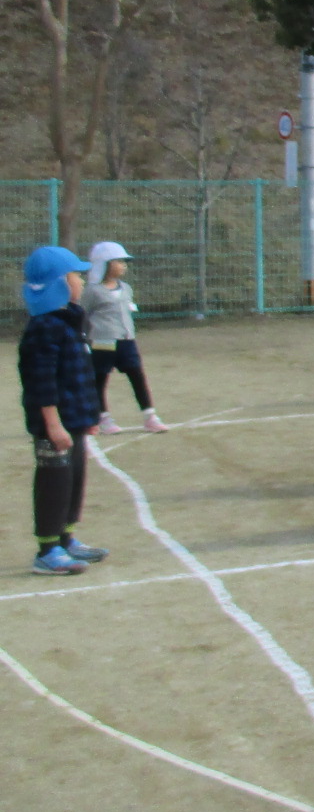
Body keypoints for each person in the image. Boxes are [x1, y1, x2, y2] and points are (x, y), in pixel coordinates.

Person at [19, 246, 104, 575]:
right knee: (55, 481)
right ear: (57, 283)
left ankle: (67, 538)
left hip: (76, 419)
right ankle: (47, 550)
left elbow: (81, 375)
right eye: (75, 276)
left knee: (75, 478)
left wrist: (90, 417)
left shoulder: (69, 321)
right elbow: (41, 382)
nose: (81, 281)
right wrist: (53, 425)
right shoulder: (44, 327)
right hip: (56, 424)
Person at [82, 241, 166, 433]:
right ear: (105, 264)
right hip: (103, 341)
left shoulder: (126, 288)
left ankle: (149, 415)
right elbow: (83, 315)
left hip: (127, 339)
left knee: (136, 374)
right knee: (100, 378)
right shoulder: (92, 291)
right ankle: (103, 417)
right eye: (118, 261)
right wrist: (84, 340)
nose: (123, 265)